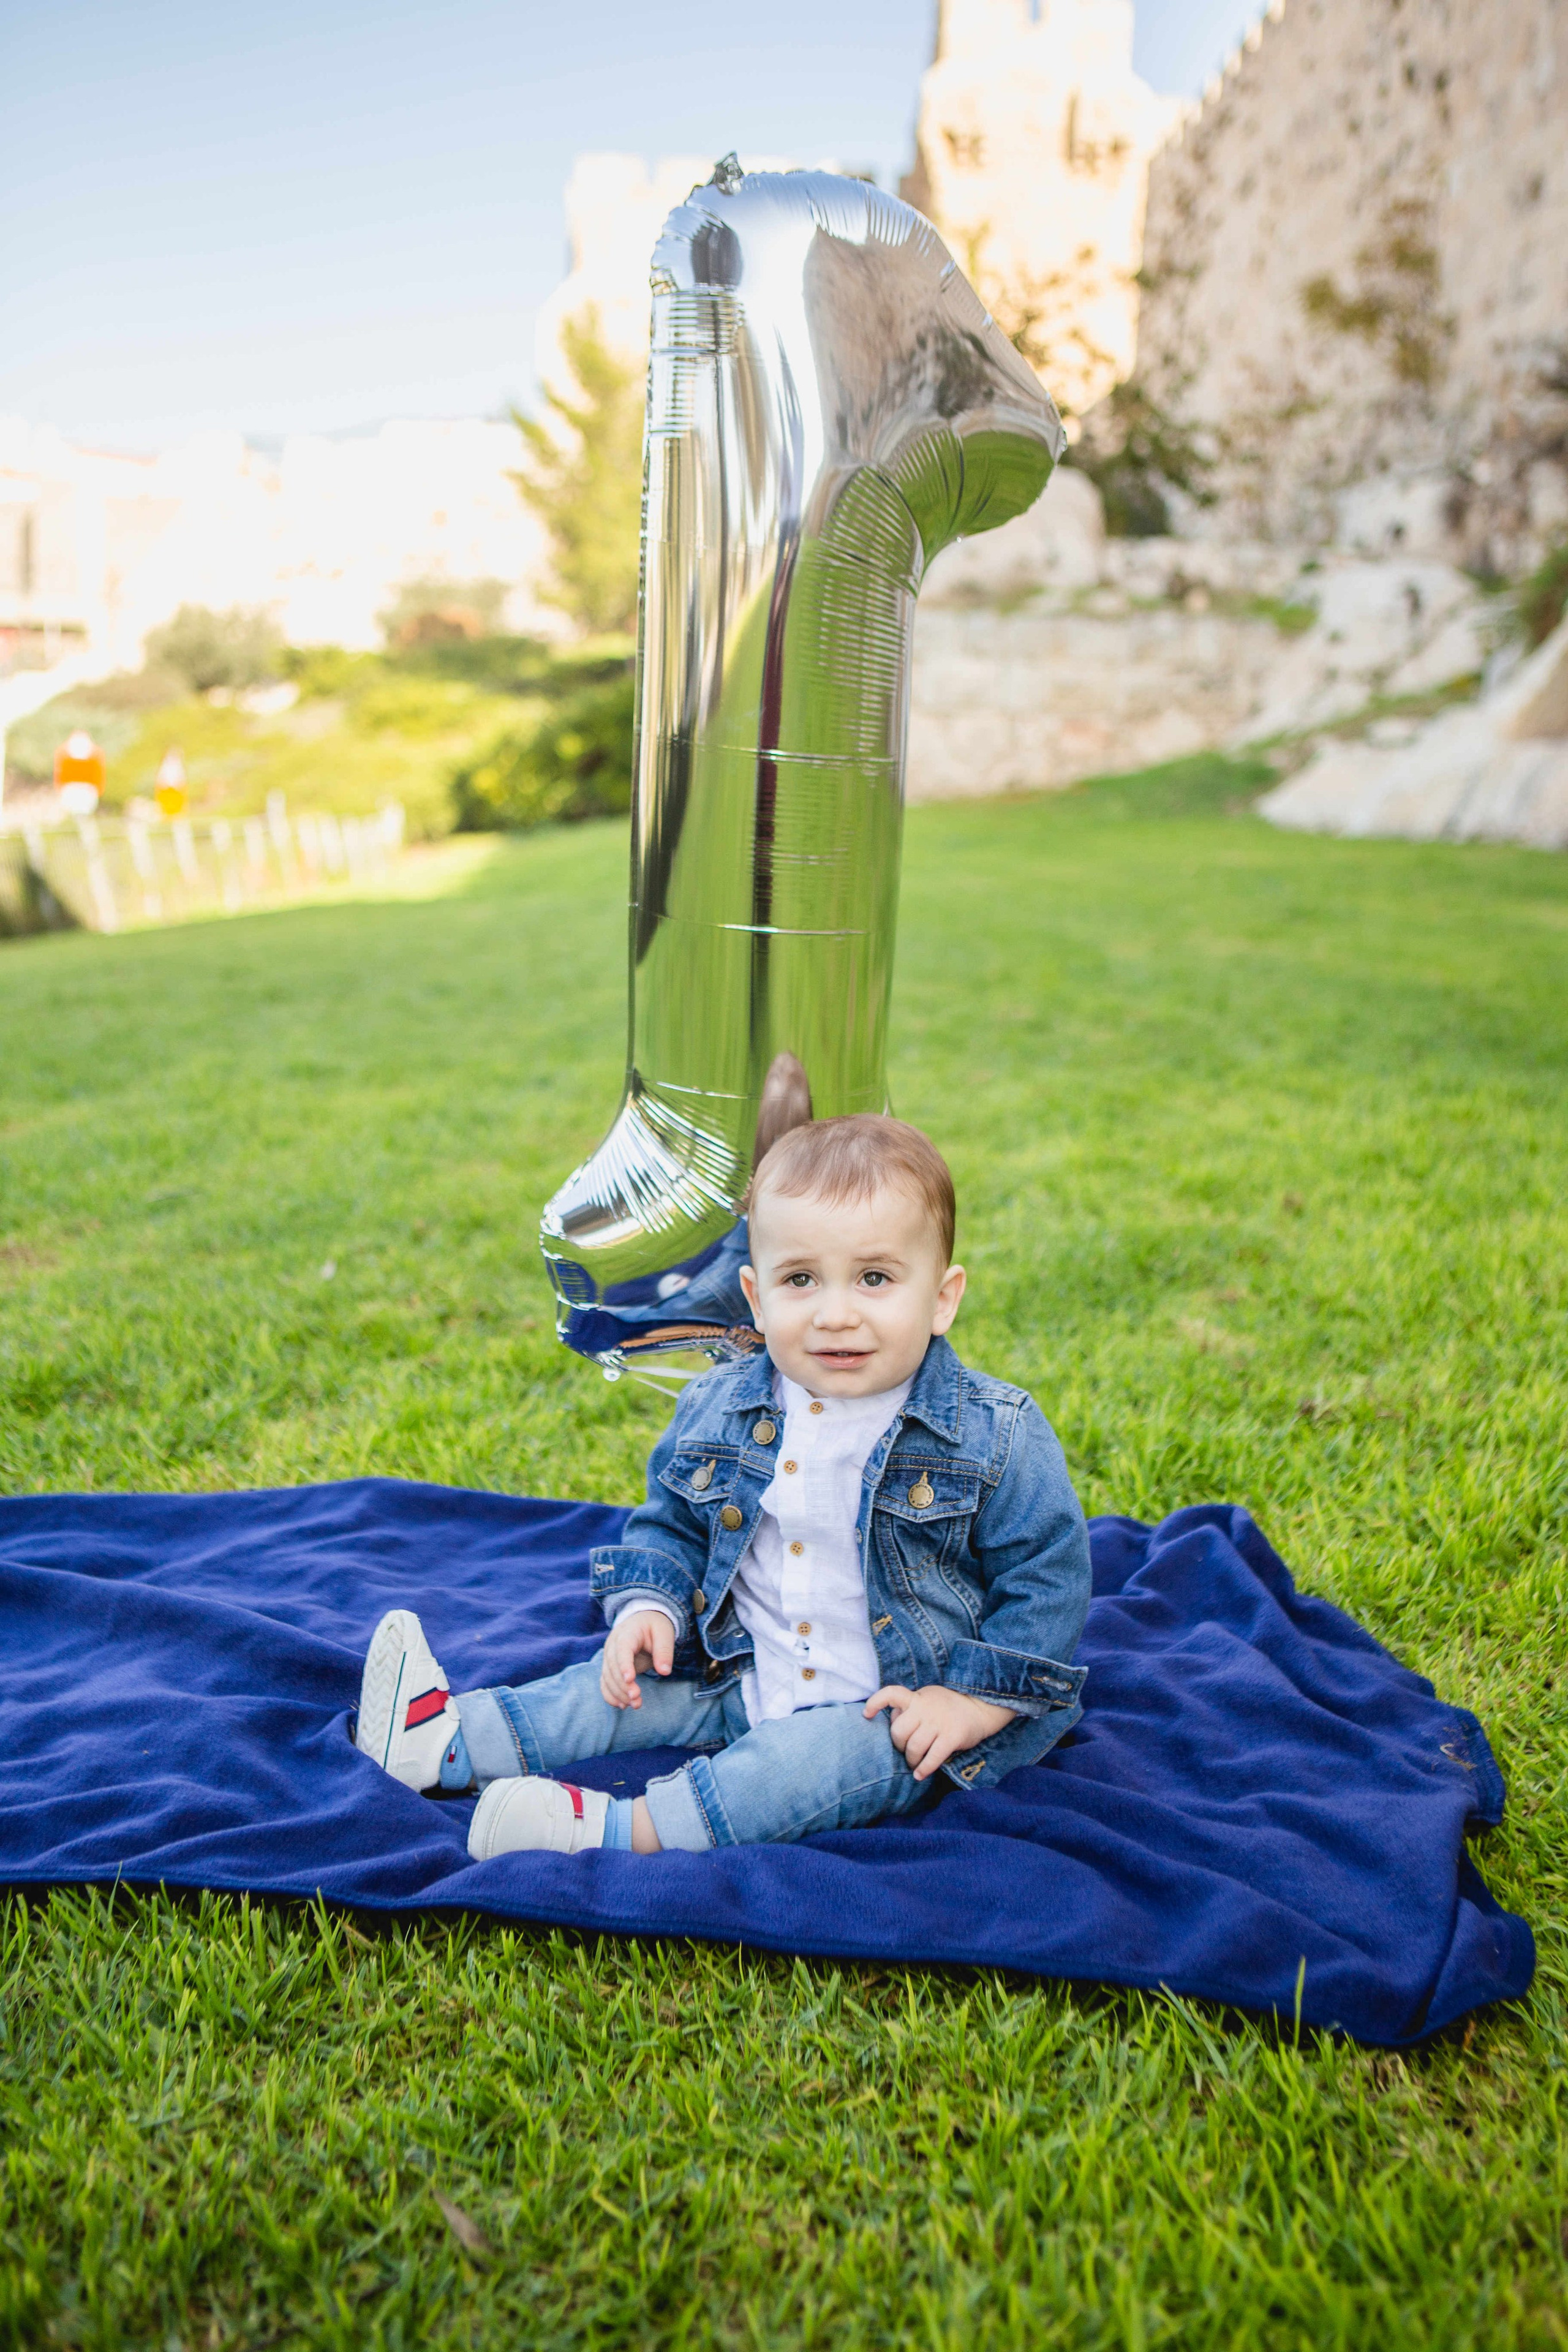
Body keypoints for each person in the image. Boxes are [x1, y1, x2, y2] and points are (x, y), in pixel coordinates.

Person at [355, 1115, 1091, 1859]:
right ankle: (446, 1740)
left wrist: (971, 1703)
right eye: (800, 1279)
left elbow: (1046, 1577)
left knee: (787, 1771)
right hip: (743, 1666)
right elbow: (672, 1523)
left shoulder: (991, 1432)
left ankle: (618, 1831)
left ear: (941, 1297)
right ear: (756, 1298)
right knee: (614, 1691)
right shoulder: (722, 1405)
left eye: (874, 1278)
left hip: (893, 1716)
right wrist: (650, 1606)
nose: (836, 1314)